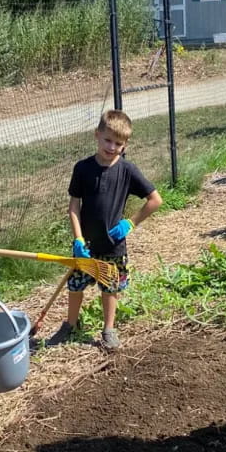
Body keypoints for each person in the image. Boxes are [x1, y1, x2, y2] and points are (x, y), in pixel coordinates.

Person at [46, 110, 162, 351]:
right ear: (97, 135)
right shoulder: (83, 169)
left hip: (112, 246)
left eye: (118, 143)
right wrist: (78, 239)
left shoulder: (128, 170)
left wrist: (130, 223)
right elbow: (74, 206)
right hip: (86, 246)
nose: (112, 147)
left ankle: (109, 329)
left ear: (125, 144)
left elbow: (155, 200)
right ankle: (70, 325)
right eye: (107, 140)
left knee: (110, 288)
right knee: (76, 285)